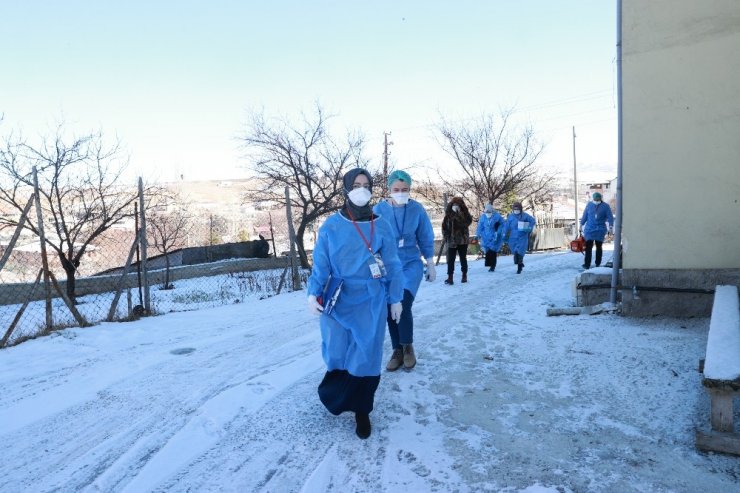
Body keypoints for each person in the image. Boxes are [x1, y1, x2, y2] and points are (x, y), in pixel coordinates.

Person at [306, 168, 404, 439]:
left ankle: (362, 410)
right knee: (336, 350)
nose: (361, 189)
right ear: (345, 189)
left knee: (366, 353)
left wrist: (395, 298)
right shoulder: (331, 226)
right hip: (337, 296)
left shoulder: (382, 225)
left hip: (370, 298)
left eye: (366, 185)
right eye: (356, 185)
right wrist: (313, 293)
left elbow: (394, 265)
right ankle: (337, 397)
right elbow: (321, 265)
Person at [373, 170, 436, 372]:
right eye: (396, 189)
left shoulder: (417, 209)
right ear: (389, 189)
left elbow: (425, 235)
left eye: (405, 189)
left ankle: (408, 347)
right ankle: (396, 350)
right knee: (392, 307)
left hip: (410, 264)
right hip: (388, 266)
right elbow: (370, 237)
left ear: (410, 189)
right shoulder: (378, 210)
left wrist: (430, 262)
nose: (400, 192)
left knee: (403, 302)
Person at [441, 196, 473, 285]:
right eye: (454, 205)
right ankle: (450, 277)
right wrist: (446, 235)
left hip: (462, 240)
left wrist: (459, 215)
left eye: (457, 205)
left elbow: (467, 223)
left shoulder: (465, 215)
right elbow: (444, 227)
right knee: (451, 259)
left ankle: (464, 276)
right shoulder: (448, 216)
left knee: (463, 258)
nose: (455, 206)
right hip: (452, 241)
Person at [579, 192, 614, 269]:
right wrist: (581, 225)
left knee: (599, 246)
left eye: (598, 199)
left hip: (600, 229)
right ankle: (587, 264)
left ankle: (598, 263)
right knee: (588, 247)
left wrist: (611, 227)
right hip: (589, 229)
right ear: (593, 198)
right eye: (595, 199)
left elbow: (610, 217)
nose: (596, 200)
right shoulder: (589, 205)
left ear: (600, 198)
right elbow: (585, 216)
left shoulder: (605, 206)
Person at [501, 201, 536, 274]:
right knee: (515, 252)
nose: (516, 210)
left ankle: (519, 267)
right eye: (515, 209)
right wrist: (504, 234)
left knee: (520, 252)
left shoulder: (525, 216)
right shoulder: (511, 217)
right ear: (513, 209)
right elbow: (506, 226)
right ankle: (519, 263)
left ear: (520, 209)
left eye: (518, 209)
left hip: (522, 236)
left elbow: (532, 221)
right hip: (513, 237)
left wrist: (528, 227)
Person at [475, 203, 504, 272]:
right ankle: (490, 265)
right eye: (486, 212)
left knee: (493, 251)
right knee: (488, 251)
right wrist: (477, 234)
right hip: (485, 237)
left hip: (494, 236)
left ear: (492, 211)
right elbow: (480, 227)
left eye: (489, 212)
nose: (488, 213)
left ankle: (493, 266)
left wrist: (498, 231)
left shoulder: (497, 216)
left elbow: (502, 224)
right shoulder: (483, 217)